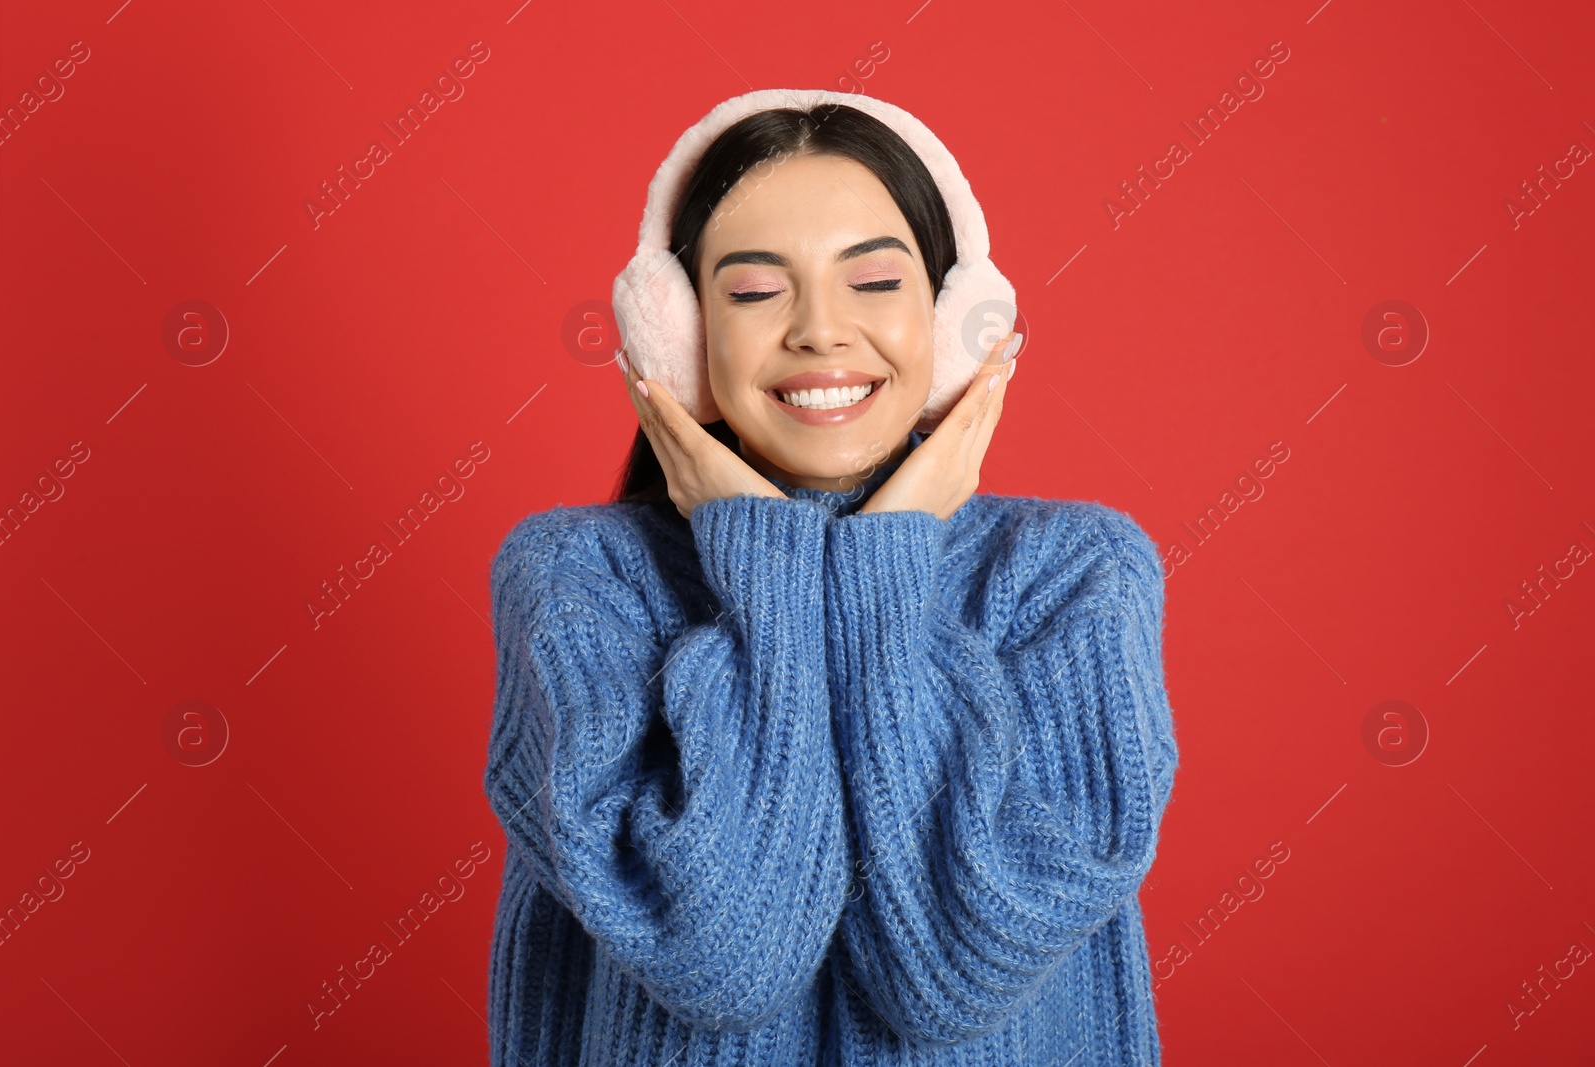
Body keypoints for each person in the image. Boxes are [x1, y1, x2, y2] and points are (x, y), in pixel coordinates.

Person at [483, 91, 1179, 1067]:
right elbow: (723, 958)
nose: (820, 331)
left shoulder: (1071, 576)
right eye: (756, 292)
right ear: (675, 339)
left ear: (953, 319)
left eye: (875, 283)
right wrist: (764, 557)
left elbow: (952, 972)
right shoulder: (577, 580)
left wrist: (882, 559)